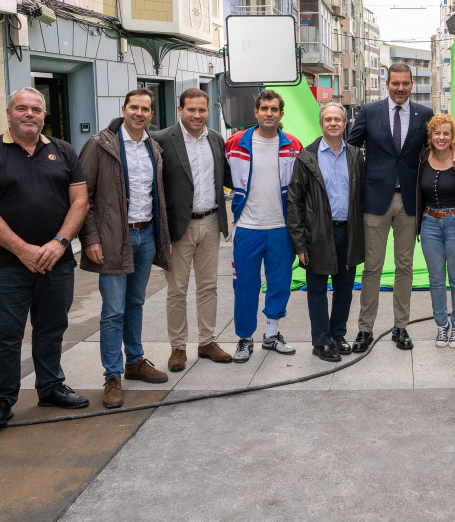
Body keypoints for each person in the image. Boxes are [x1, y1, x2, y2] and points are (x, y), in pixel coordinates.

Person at [0, 87, 90, 428]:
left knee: (52, 329)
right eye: (21, 108)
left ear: (44, 115)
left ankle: (50, 387)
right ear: (9, 113)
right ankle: (1, 400)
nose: (29, 114)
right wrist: (23, 250)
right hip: (7, 266)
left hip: (56, 262)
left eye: (36, 109)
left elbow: (80, 201)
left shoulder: (63, 151)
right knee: (5, 336)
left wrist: (60, 243)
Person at [346, 63, 455, 352]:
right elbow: (349, 148)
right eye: (395, 83)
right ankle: (365, 329)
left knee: (405, 267)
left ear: (412, 84)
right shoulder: (369, 111)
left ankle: (401, 327)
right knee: (372, 268)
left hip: (410, 202)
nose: (400, 88)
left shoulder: (424, 114)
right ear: (387, 84)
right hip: (375, 201)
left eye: (405, 83)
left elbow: (440, 141)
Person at [79, 88, 172, 410]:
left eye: (145, 109)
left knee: (135, 303)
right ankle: (112, 376)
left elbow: (156, 195)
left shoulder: (152, 147)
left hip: (145, 236)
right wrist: (90, 238)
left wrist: (162, 235)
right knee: (113, 310)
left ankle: (134, 361)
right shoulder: (99, 145)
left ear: (151, 114)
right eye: (134, 107)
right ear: (123, 108)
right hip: (112, 239)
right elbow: (82, 196)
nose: (139, 113)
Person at [152, 88, 234, 371]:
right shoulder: (162, 139)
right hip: (178, 228)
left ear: (208, 111)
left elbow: (227, 177)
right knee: (177, 289)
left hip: (211, 222)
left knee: (208, 287)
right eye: (191, 109)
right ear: (180, 110)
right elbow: (154, 186)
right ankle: (177, 347)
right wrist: (162, 232)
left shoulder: (216, 139)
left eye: (201, 110)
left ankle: (207, 342)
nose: (197, 115)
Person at [226, 89, 302, 362]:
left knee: (280, 283)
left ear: (281, 114)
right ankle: (245, 338)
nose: (269, 113)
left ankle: (271, 334)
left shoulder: (293, 145)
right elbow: (222, 175)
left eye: (274, 109)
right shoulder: (235, 143)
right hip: (247, 227)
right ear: (256, 112)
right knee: (245, 286)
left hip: (281, 228)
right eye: (264, 109)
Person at [286, 104, 365, 362]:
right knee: (317, 290)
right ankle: (320, 342)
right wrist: (300, 244)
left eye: (338, 119)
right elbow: (294, 203)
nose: (333, 123)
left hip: (348, 233)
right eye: (328, 119)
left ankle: (337, 334)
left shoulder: (355, 155)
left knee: (344, 288)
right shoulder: (306, 157)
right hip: (317, 235)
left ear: (345, 124)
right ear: (321, 124)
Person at [415, 114, 455, 349]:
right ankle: (441, 325)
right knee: (436, 280)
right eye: (437, 133)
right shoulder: (422, 157)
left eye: (446, 133)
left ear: (453, 136)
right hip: (429, 223)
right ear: (430, 135)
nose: (441, 137)